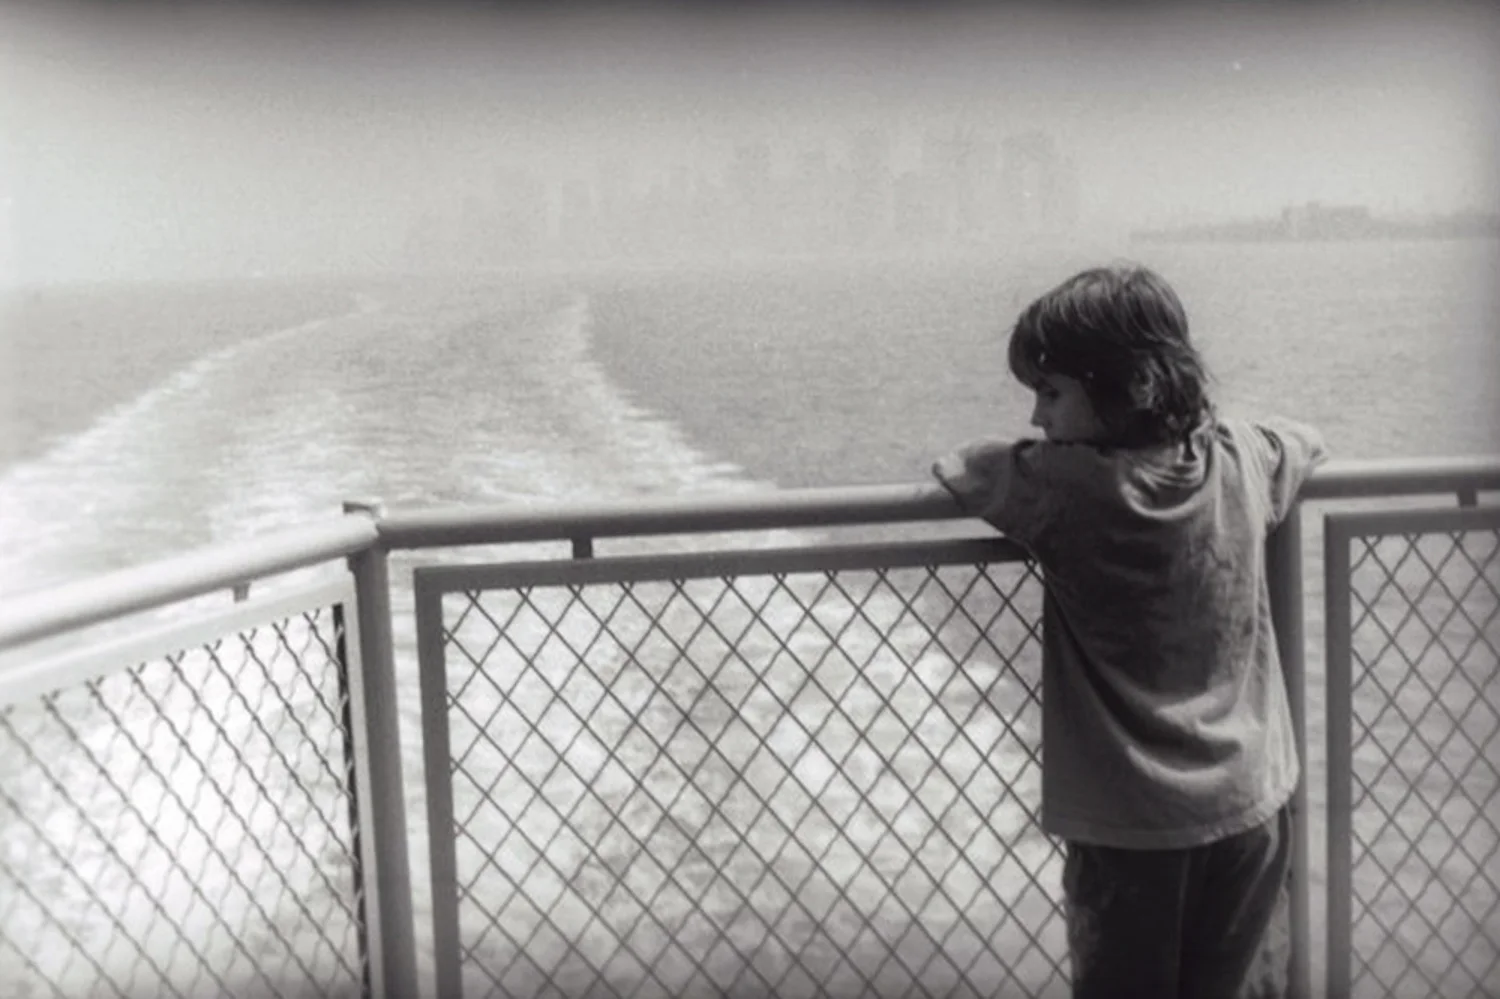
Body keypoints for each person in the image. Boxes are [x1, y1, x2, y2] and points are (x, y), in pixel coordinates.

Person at [931, 263, 1326, 998]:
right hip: (1250, 806)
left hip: (1130, 828)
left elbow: (964, 467)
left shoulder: (1063, 487)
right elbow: (1301, 441)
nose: (1037, 418)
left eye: (1051, 393)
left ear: (1131, 387)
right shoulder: (1239, 460)